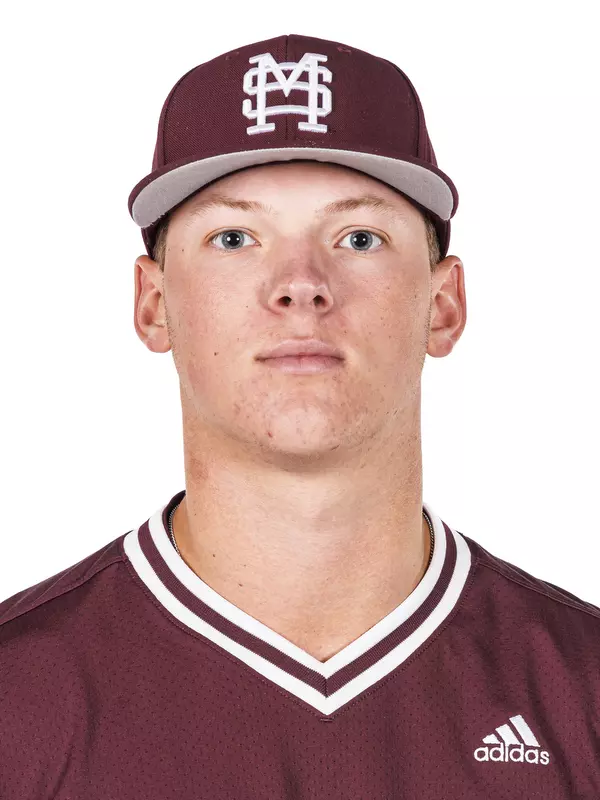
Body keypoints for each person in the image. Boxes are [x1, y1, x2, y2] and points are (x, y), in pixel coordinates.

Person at [1, 33, 599, 799]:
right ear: (154, 306)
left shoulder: (580, 691)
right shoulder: (17, 700)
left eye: (359, 237)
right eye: (234, 238)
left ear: (443, 306)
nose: (299, 285)